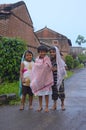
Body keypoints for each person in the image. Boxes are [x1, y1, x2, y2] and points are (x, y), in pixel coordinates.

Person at [30, 45, 54, 112]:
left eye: (44, 52)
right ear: (38, 52)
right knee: (40, 94)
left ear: (46, 52)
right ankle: (40, 106)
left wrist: (44, 67)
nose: (42, 53)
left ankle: (46, 107)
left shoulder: (47, 59)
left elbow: (49, 67)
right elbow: (35, 69)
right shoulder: (37, 59)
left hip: (46, 79)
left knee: (46, 94)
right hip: (39, 80)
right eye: (40, 52)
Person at [49, 46, 66, 111]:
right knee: (54, 92)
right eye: (51, 52)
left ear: (57, 53)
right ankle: (55, 104)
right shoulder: (50, 61)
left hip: (60, 79)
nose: (52, 53)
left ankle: (62, 104)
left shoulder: (60, 61)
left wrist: (58, 68)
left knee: (61, 92)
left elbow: (65, 68)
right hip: (52, 79)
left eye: (53, 52)